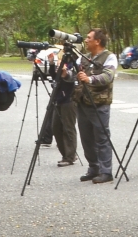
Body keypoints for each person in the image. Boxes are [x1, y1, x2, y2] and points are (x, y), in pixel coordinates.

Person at [74, 29, 118, 185]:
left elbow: (108, 76)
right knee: (86, 138)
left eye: (89, 38)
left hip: (99, 103)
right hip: (82, 101)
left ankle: (106, 172)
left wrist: (89, 79)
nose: (86, 40)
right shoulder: (83, 58)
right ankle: (94, 168)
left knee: (102, 138)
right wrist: (66, 73)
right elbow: (75, 75)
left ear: (97, 41)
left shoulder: (109, 57)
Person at [35, 46, 80, 168]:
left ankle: (69, 156)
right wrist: (51, 64)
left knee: (68, 129)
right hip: (58, 99)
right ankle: (66, 153)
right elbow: (55, 76)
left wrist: (65, 72)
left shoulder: (74, 65)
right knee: (56, 128)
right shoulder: (62, 64)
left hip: (69, 100)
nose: (62, 54)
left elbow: (71, 78)